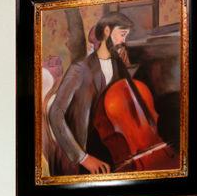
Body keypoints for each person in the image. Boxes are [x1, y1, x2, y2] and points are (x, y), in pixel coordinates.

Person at [47, 12, 134, 175]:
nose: (124, 41)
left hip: (111, 147)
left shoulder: (118, 66)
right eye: (122, 34)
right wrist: (82, 157)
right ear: (107, 31)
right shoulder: (79, 69)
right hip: (84, 152)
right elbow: (55, 113)